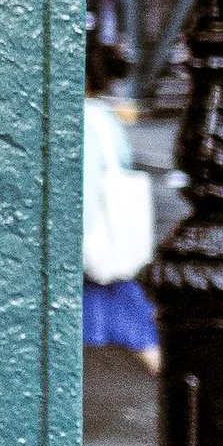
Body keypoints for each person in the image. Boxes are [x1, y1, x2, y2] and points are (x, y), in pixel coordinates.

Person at [83, 32, 159, 363]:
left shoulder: (82, 119)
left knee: (138, 333)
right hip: (106, 250)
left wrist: (79, 242)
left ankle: (194, 401)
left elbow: (85, 188)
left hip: (93, 252)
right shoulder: (103, 115)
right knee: (137, 330)